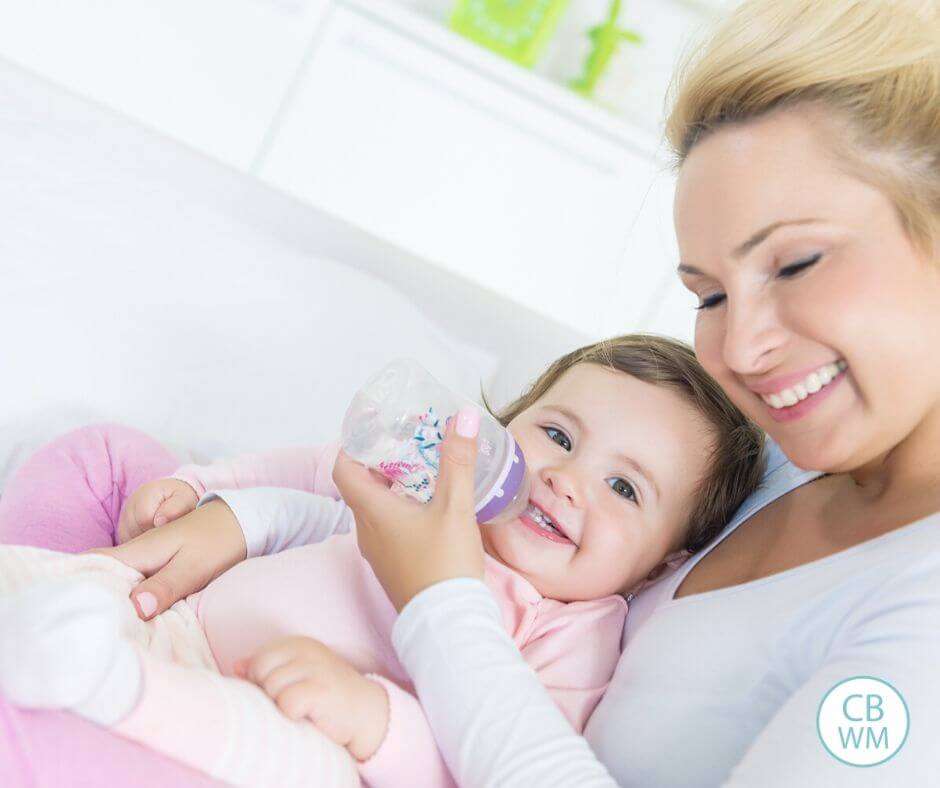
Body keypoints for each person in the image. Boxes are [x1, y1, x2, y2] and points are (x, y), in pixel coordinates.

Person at [332, 0, 940, 785]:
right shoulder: (783, 456)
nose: (744, 349)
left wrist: (441, 605)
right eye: (710, 296)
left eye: (796, 265)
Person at [0, 335, 764, 787]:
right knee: (108, 455)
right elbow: (317, 468)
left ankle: (85, 678)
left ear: (665, 563)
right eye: (558, 436)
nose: (568, 480)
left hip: (269, 738)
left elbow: (476, 764)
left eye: (624, 487)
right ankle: (51, 588)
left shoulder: (575, 632)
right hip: (174, 612)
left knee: (67, 734)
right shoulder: (444, 483)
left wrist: (373, 716)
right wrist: (203, 492)